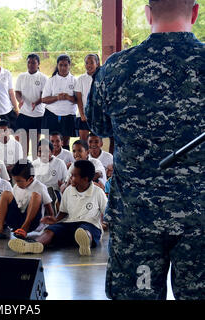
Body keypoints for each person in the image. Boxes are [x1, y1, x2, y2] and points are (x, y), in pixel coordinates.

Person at [86, 0, 204, 300]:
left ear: (148, 13)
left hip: (136, 219)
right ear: (194, 12)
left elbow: (100, 126)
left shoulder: (116, 68)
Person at [8, 160, 107, 256]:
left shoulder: (98, 192)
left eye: (73, 176)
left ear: (85, 179)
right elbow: (63, 212)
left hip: (90, 224)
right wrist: (55, 219)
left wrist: (105, 223)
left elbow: (106, 211)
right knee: (51, 230)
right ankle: (34, 244)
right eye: (70, 175)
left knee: (85, 230)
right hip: (69, 224)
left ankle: (86, 243)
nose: (70, 178)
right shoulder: (68, 191)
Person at [0, 160, 54, 239]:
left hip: (32, 223)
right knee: (6, 194)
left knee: (36, 196)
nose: (16, 184)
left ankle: (24, 228)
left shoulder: (40, 187)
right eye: (15, 181)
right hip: (16, 220)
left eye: (19, 181)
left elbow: (48, 205)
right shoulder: (16, 187)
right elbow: (12, 204)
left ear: (30, 179)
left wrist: (51, 220)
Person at [15, 54, 48, 158]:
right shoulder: (21, 76)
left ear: (38, 64)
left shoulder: (43, 78)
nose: (30, 64)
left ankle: (35, 167)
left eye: (33, 62)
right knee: (23, 145)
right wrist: (20, 101)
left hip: (38, 115)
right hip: (24, 114)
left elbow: (44, 95)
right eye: (29, 62)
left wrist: (36, 103)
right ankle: (24, 167)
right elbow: (17, 92)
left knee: (35, 145)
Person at [41, 54, 78, 150]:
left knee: (65, 142)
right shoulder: (51, 80)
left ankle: (66, 164)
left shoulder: (74, 81)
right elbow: (44, 99)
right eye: (60, 65)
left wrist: (68, 97)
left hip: (68, 115)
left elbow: (78, 100)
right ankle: (49, 163)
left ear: (69, 66)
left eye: (65, 65)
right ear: (57, 66)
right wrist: (57, 97)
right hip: (51, 115)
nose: (63, 67)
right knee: (50, 142)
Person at [32, 139, 68, 212]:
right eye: (40, 151)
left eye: (46, 151)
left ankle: (51, 217)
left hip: (54, 191)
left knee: (49, 195)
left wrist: (63, 185)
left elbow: (65, 180)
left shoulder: (60, 163)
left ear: (52, 152)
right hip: (38, 192)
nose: (43, 154)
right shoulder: (34, 164)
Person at [74, 54, 100, 142]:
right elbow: (78, 98)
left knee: (96, 141)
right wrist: (82, 114)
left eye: (91, 63)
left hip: (97, 116)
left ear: (97, 63)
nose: (89, 65)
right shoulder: (81, 79)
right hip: (83, 116)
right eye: (87, 63)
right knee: (83, 142)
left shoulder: (101, 77)